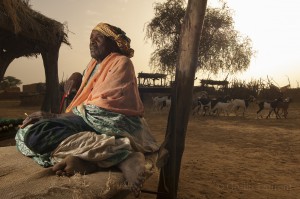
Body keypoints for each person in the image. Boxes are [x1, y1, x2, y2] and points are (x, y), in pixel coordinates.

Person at [15, 22, 159, 197]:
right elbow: (85, 83)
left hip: (111, 122)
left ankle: (123, 154)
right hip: (87, 118)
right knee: (28, 132)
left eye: (98, 38)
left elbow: (102, 108)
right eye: (90, 39)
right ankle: (93, 160)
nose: (92, 42)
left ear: (114, 43)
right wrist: (76, 76)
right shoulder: (93, 65)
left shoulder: (122, 62)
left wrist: (53, 116)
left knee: (37, 134)